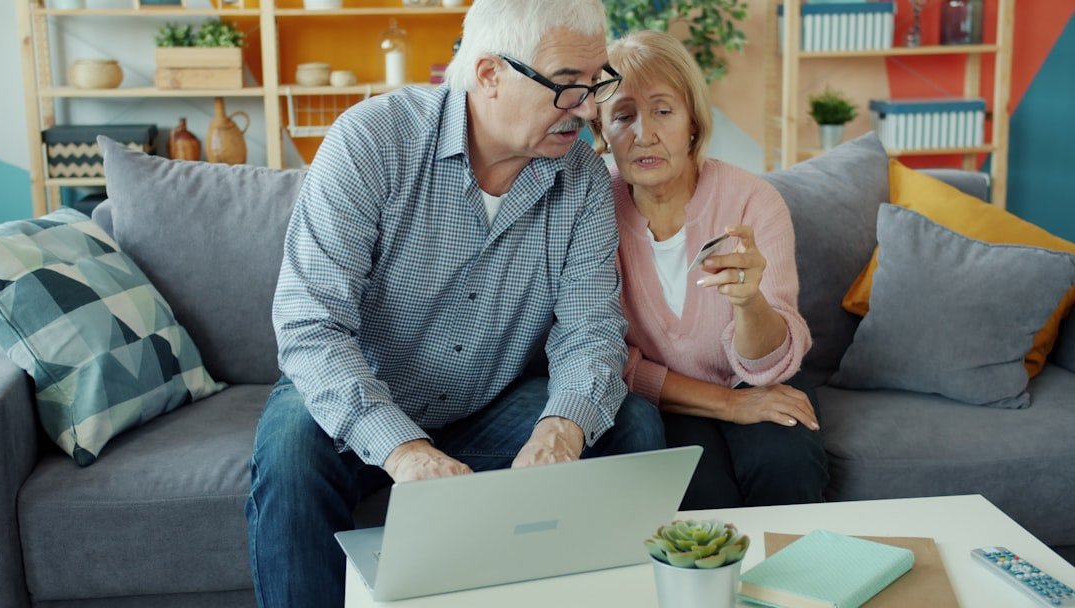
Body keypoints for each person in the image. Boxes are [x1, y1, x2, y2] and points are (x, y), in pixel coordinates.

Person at [245, 2, 666, 606]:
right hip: (364, 400)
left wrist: (561, 430)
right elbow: (311, 327)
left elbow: (590, 330)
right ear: (490, 74)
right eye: (567, 87)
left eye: (596, 82)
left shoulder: (583, 181)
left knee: (630, 424)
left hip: (489, 406)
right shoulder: (371, 142)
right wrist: (405, 450)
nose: (591, 109)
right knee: (289, 448)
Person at [590, 30, 828, 510]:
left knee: (787, 466)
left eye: (663, 110)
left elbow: (767, 366)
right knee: (700, 498)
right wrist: (729, 407)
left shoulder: (752, 200)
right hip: (670, 397)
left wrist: (748, 302)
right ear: (601, 133)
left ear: (694, 122)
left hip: (759, 380)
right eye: (623, 116)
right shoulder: (592, 208)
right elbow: (606, 358)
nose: (645, 134)